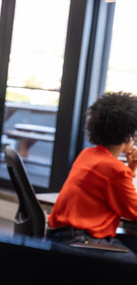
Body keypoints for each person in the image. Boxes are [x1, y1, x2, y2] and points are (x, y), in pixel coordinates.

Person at [46, 91, 137, 261]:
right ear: (127, 135)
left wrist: (131, 168)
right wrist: (128, 171)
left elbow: (115, 192)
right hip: (80, 240)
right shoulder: (115, 169)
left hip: (59, 234)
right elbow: (133, 210)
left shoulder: (88, 154)